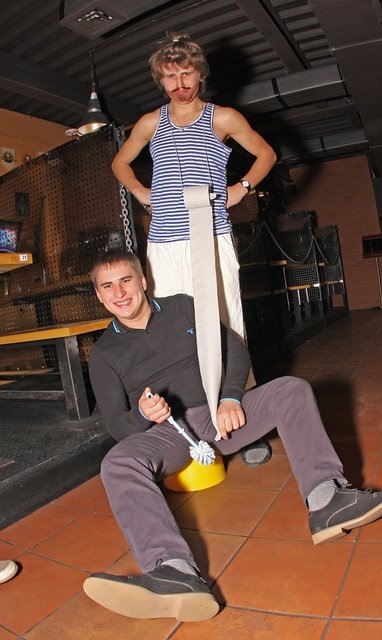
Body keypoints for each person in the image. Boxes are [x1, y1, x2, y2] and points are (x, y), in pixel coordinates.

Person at [83, 250, 382, 622]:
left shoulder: (182, 307)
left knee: (290, 390)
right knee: (117, 463)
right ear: (98, 295)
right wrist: (142, 415)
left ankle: (326, 500)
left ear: (143, 281)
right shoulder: (103, 354)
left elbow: (234, 351)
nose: (119, 293)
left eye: (125, 280)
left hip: (217, 416)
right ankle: (175, 571)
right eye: (107, 286)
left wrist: (229, 397)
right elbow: (116, 425)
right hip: (166, 434)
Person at [111, 32, 277, 466]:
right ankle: (189, 423)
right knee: (173, 330)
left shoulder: (223, 118)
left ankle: (246, 422)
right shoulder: (150, 123)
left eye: (186, 74)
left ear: (200, 74)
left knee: (228, 326)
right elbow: (119, 162)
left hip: (211, 234)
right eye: (170, 77)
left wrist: (242, 188)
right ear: (161, 80)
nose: (179, 84)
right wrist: (140, 191)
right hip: (165, 242)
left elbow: (266, 154)